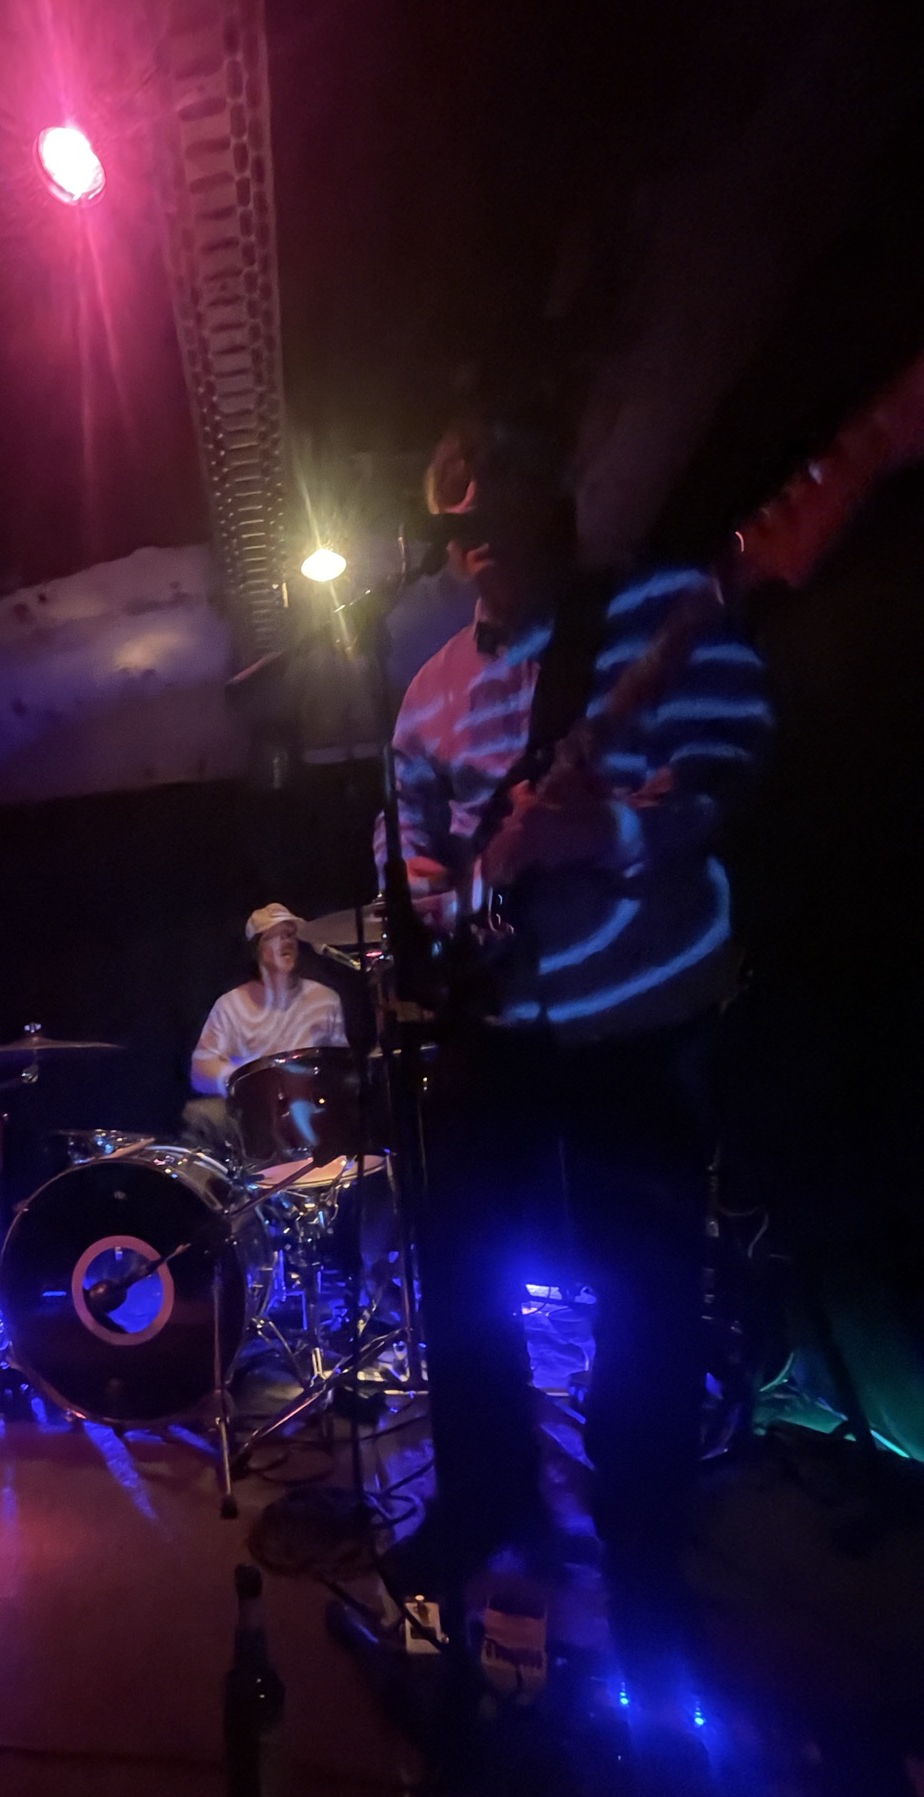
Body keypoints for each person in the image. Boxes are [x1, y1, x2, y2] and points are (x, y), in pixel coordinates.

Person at [381, 411, 771, 1583]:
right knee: (460, 1269)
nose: (474, 538)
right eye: (456, 520)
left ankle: (645, 1524)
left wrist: (601, 830)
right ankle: (483, 1497)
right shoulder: (427, 693)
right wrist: (452, 904)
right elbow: (414, 852)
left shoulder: (661, 615)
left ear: (547, 502)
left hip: (636, 1019)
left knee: (643, 1278)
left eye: (496, 503)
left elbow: (736, 768)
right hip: (494, 1016)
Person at [184, 903, 348, 1152]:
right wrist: (255, 1081)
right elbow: (200, 1072)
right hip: (253, 1111)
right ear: (257, 947)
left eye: (290, 934)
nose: (287, 941)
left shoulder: (325, 999)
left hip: (311, 1104)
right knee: (200, 1115)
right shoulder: (231, 1005)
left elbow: (341, 1065)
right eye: (276, 935)